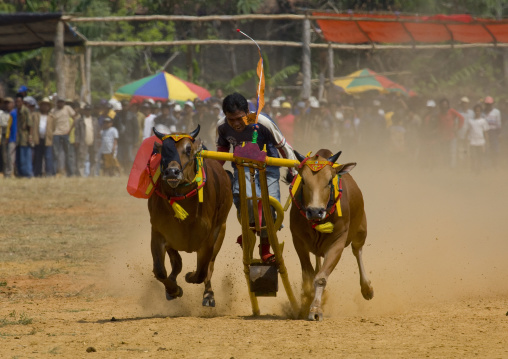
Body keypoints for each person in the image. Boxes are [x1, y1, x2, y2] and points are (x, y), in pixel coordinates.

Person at [216, 92, 298, 263]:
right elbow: (222, 150)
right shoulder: (222, 126)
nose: (237, 124)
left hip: (269, 168)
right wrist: (214, 170)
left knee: (270, 206)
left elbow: (283, 146)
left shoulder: (263, 122)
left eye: (240, 118)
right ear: (225, 116)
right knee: (246, 198)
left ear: (248, 112)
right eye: (232, 119)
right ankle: (250, 232)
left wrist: (294, 172)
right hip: (243, 167)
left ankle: (265, 249)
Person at [51, 97, 75, 176]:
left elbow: (75, 118)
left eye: (62, 102)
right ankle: (54, 172)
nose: (61, 104)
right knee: (55, 154)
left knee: (68, 154)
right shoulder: (53, 111)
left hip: (65, 134)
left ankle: (70, 173)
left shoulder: (68, 108)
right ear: (57, 103)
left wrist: (70, 130)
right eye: (59, 102)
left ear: (64, 103)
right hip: (56, 134)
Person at [437, 98, 464, 168]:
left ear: (448, 105)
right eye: (442, 105)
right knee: (445, 152)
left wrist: (458, 127)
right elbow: (439, 125)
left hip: (452, 136)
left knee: (452, 152)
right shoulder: (439, 114)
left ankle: (452, 167)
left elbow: (461, 118)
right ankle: (446, 166)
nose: (444, 106)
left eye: (445, 104)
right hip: (443, 137)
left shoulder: (451, 111)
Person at [75, 104, 100, 177]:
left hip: (93, 141)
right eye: (86, 110)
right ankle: (81, 174)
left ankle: (92, 174)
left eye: (89, 110)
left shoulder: (94, 120)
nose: (87, 112)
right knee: (82, 158)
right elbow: (77, 132)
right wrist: (77, 141)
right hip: (83, 142)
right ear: (84, 111)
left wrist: (98, 140)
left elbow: (97, 131)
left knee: (94, 159)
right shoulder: (80, 120)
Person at [32, 97, 55, 177]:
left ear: (49, 107)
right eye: (43, 105)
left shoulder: (51, 117)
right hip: (38, 139)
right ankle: (37, 173)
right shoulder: (35, 115)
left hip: (47, 139)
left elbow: (54, 127)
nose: (45, 107)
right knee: (38, 157)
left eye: (46, 105)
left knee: (48, 157)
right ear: (40, 106)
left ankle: (49, 173)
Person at [464, 104, 490, 172]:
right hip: (472, 142)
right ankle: (473, 169)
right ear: (474, 111)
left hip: (481, 142)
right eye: (476, 111)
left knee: (480, 156)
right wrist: (466, 139)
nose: (477, 112)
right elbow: (468, 131)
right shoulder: (470, 121)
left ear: (481, 112)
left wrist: (487, 142)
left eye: (478, 111)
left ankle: (479, 170)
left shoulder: (483, 121)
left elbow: (485, 133)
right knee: (473, 156)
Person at [15, 93, 34, 178]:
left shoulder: (26, 110)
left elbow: (30, 125)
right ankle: (20, 174)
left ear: (22, 102)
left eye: (19, 101)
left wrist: (30, 137)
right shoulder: (17, 111)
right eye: (16, 101)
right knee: (19, 157)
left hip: (25, 136)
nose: (17, 103)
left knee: (25, 156)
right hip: (18, 137)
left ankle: (28, 174)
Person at [483, 96, 502, 168]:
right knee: (486, 149)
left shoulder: (496, 112)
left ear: (492, 104)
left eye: (490, 104)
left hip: (494, 132)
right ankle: (487, 166)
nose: (488, 106)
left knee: (495, 149)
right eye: (487, 104)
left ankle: (495, 165)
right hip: (485, 133)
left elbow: (499, 124)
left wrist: (499, 134)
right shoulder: (483, 112)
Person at [0, 97, 12, 176]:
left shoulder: (14, 113)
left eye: (8, 103)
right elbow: (3, 124)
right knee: (5, 155)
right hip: (5, 136)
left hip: (13, 135)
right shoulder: (2, 114)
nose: (7, 105)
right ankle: (5, 171)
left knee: (11, 155)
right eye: (5, 103)